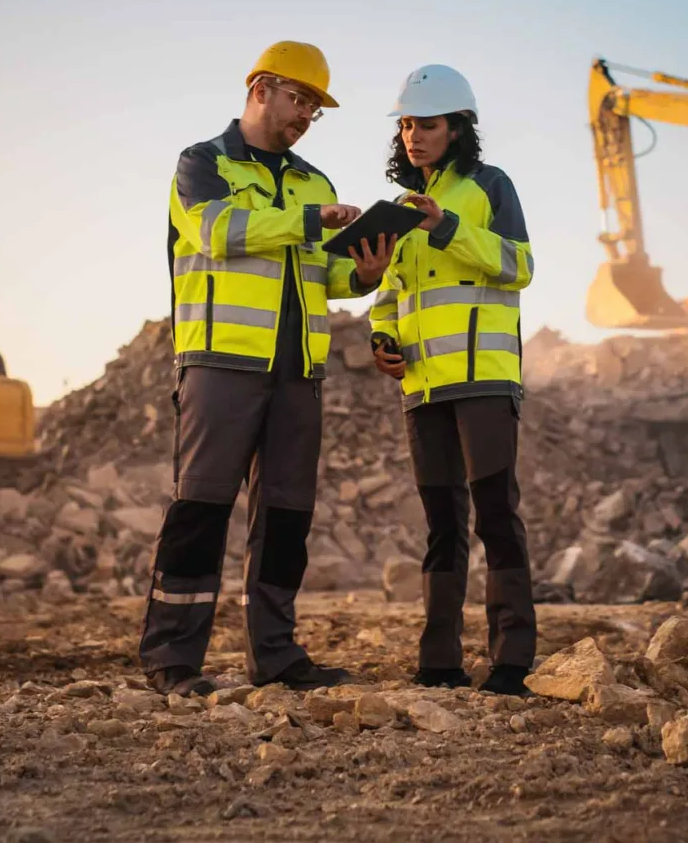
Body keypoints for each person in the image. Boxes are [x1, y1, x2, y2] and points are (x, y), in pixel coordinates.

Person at [140, 41, 395, 696]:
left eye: (315, 106)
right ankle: (173, 662)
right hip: (220, 364)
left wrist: (361, 274)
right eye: (299, 99)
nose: (307, 114)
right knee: (201, 508)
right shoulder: (203, 163)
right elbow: (217, 231)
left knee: (286, 517)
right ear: (261, 89)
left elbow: (326, 271)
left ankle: (275, 656)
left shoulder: (316, 181)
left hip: (297, 372)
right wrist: (309, 221)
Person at [368, 64, 538, 696]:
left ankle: (511, 661)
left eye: (427, 124)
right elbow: (390, 295)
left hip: (485, 382)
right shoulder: (399, 209)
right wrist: (381, 338)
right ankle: (438, 662)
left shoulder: (490, 187)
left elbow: (519, 265)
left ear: (458, 128)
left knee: (496, 516)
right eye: (407, 124)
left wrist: (447, 227)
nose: (414, 135)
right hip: (423, 389)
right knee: (442, 524)